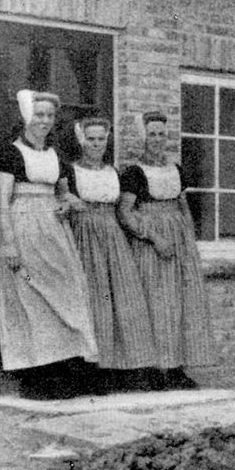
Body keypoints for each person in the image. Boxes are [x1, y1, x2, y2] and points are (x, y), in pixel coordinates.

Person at [0, 89, 99, 399]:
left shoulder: (57, 155)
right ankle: (37, 376)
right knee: (29, 299)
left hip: (54, 232)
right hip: (23, 228)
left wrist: (68, 203)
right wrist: (9, 244)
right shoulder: (10, 152)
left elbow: (67, 195)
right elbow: (2, 203)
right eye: (39, 114)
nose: (44, 121)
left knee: (66, 294)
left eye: (50, 116)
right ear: (27, 115)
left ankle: (65, 369)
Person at [117, 111, 214, 389]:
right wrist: (154, 237)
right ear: (143, 138)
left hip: (178, 244)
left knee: (180, 304)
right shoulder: (134, 173)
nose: (157, 140)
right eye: (152, 134)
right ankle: (153, 370)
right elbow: (125, 212)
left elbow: (183, 206)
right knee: (155, 302)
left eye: (161, 134)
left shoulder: (176, 170)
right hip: (151, 244)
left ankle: (175, 368)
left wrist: (189, 242)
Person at [64, 117, 158, 391]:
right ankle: (88, 372)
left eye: (101, 139)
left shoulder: (114, 172)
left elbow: (123, 209)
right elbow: (60, 199)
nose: (96, 145)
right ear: (82, 140)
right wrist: (71, 201)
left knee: (122, 299)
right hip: (84, 234)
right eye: (91, 139)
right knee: (92, 300)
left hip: (113, 237)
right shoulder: (70, 171)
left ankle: (119, 370)